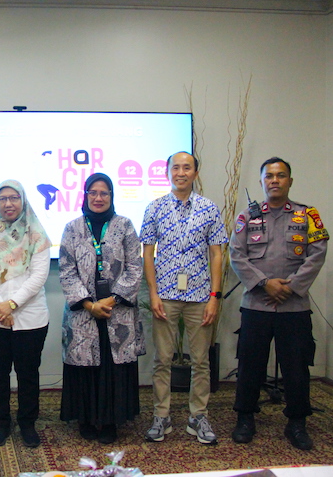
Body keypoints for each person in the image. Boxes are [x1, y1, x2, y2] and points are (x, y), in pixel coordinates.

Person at [230, 157, 328, 450]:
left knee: (296, 367)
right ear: (262, 181)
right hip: (256, 305)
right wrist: (265, 283)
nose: (274, 180)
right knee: (250, 365)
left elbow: (317, 253)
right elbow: (236, 255)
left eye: (280, 175)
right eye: (269, 176)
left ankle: (297, 422)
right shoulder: (247, 217)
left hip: (293, 306)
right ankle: (245, 417)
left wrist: (292, 286)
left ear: (290, 181)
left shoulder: (307, 215)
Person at [140, 151, 228, 445]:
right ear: (167, 173)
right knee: (162, 360)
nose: (181, 172)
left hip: (201, 296)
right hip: (165, 295)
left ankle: (198, 416)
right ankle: (161, 416)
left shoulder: (208, 208)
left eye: (187, 168)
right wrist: (153, 294)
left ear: (195, 173)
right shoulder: (154, 208)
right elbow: (147, 254)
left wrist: (215, 297)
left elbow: (217, 254)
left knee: (201, 361)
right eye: (175, 168)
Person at [59, 173, 144, 444]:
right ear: (85, 196)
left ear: (111, 196)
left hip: (117, 311)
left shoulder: (125, 225)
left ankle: (110, 421)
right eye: (93, 193)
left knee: (112, 365)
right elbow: (66, 270)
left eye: (104, 193)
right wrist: (89, 304)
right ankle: (85, 419)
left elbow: (135, 267)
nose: (98, 198)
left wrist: (111, 300)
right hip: (84, 313)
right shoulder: (72, 228)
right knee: (85, 366)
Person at [0, 180, 52, 448]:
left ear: (23, 201)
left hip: (31, 317)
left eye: (14, 198)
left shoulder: (37, 235)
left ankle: (27, 423)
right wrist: (0, 306)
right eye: (3, 199)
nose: (8, 204)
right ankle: (0, 423)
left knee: (28, 374)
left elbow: (39, 276)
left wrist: (11, 305)